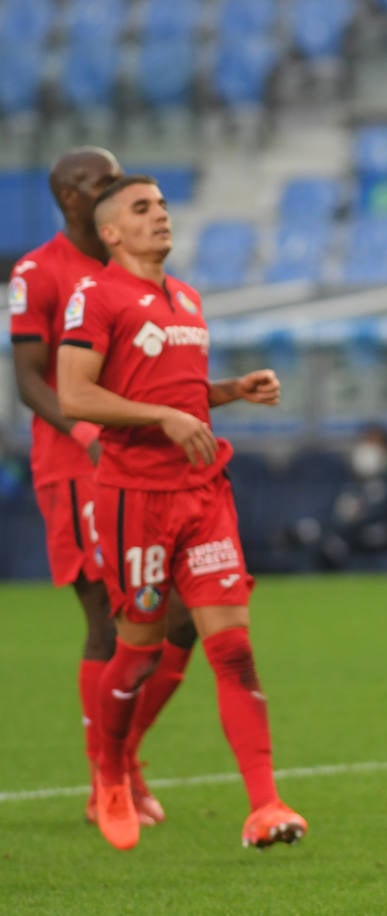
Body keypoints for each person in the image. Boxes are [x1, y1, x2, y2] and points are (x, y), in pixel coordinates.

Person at [55, 175, 307, 852]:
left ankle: (266, 805)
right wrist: (162, 417)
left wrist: (228, 391)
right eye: (142, 208)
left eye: (163, 205)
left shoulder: (187, 297)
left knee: (233, 648)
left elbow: (174, 394)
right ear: (110, 232)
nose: (159, 216)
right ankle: (109, 775)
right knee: (135, 656)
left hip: (203, 494)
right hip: (136, 499)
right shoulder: (94, 296)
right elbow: (74, 394)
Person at [8, 147, 194, 828]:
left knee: (180, 621)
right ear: (65, 197)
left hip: (149, 467)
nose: (109, 188)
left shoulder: (135, 268)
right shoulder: (39, 272)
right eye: (94, 183)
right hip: (77, 466)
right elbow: (29, 376)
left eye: (114, 176)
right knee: (109, 621)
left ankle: (125, 756)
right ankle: (105, 780)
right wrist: (85, 431)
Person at [280, 424, 387, 571]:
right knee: (328, 542)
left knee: (331, 537)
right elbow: (341, 513)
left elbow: (379, 513)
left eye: (375, 444)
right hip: (348, 533)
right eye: (366, 443)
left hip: (378, 534)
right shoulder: (352, 482)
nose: (368, 450)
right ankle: (314, 535)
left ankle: (310, 531)